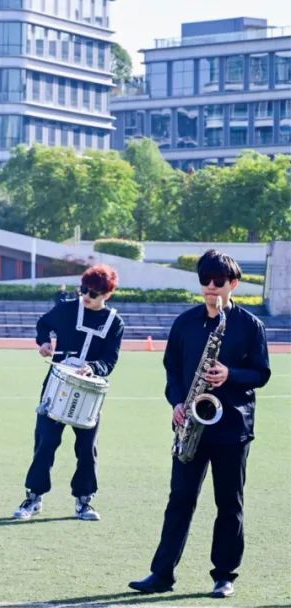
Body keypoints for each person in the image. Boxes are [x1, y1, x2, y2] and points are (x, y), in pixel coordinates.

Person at [128, 250, 270, 599]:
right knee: (180, 499)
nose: (210, 287)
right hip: (191, 424)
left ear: (233, 283)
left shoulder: (251, 325)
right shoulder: (185, 323)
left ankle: (224, 576)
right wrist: (177, 402)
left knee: (229, 503)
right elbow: (172, 369)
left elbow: (261, 373)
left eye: (218, 281)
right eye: (205, 280)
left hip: (232, 427)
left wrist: (230, 374)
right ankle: (162, 573)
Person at [12, 265, 124, 522]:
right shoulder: (67, 309)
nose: (86, 296)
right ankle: (33, 497)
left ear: (107, 294)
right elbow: (43, 324)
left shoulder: (115, 323)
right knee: (45, 443)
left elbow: (110, 360)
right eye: (83, 289)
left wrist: (93, 368)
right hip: (57, 386)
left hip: (89, 391)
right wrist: (44, 341)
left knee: (87, 448)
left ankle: (84, 501)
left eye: (93, 293)